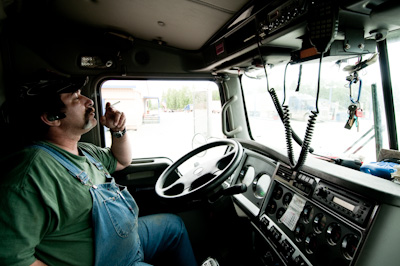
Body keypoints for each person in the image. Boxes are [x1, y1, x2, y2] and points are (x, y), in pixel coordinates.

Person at [0, 74, 198, 266]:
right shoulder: (29, 176)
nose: (89, 101)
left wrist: (118, 130)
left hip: (129, 246)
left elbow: (121, 160)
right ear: (51, 118)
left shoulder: (84, 151)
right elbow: (14, 259)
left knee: (174, 226)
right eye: (76, 97)